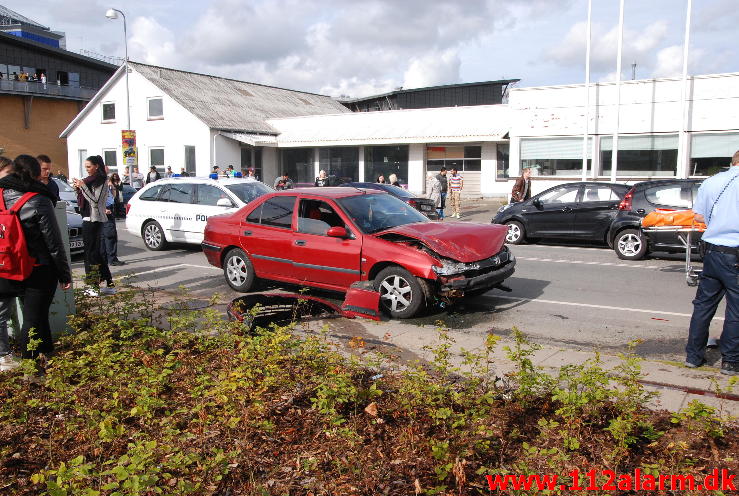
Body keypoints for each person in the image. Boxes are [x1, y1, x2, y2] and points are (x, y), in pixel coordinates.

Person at [0, 155, 72, 368]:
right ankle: (30, 370)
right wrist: (64, 274)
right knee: (33, 318)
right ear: (34, 174)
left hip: (4, 265)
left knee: (15, 314)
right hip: (36, 268)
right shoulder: (38, 199)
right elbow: (54, 242)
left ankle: (45, 351)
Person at [685, 150, 739, 376]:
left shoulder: (712, 182)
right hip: (735, 253)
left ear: (733, 162)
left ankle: (693, 356)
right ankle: (730, 361)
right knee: (736, 310)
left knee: (704, 305)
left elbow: (698, 216)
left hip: (711, 251)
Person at [72, 155, 114, 294]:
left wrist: (83, 187)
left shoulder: (101, 181)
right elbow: (83, 198)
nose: (87, 170)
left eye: (89, 167)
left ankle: (94, 286)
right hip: (87, 218)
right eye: (86, 167)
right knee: (95, 254)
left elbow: (95, 201)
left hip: (94, 219)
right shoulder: (89, 180)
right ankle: (109, 284)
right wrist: (78, 188)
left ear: (97, 166)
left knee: (91, 255)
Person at [100, 180, 125, 266]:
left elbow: (113, 197)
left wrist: (113, 187)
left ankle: (106, 259)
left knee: (105, 236)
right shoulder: (100, 186)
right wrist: (103, 209)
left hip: (109, 208)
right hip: (106, 210)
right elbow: (96, 200)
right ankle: (112, 259)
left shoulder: (107, 187)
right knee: (110, 235)